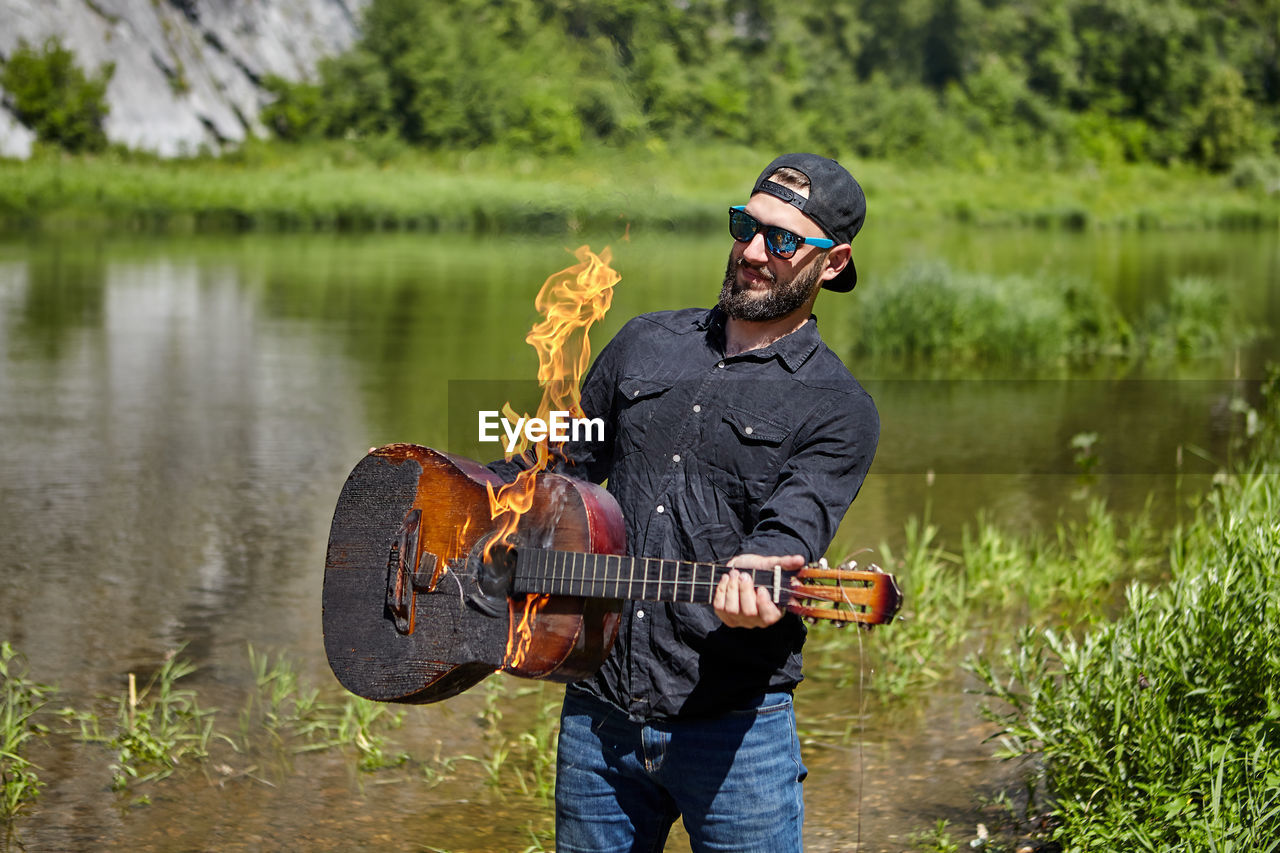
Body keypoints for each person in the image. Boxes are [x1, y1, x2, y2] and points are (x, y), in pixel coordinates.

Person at [490, 152, 879, 852]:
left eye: (783, 239)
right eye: (746, 225)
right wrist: (454, 495)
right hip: (597, 719)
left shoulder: (839, 408)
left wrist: (761, 569)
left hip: (736, 733)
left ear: (832, 261)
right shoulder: (644, 343)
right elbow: (546, 469)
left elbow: (794, 522)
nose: (754, 251)